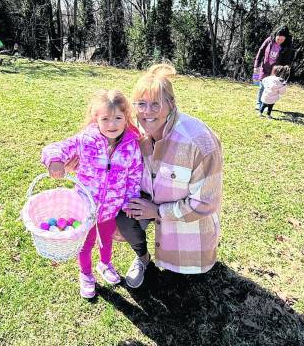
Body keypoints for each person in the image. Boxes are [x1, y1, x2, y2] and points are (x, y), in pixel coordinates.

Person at [116, 63, 223, 288]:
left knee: (186, 277)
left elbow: (206, 202)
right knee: (124, 221)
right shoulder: (134, 131)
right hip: (149, 194)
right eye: (141, 104)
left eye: (155, 104)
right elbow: (98, 140)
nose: (146, 112)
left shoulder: (199, 142)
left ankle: (179, 262)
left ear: (171, 104)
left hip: (188, 216)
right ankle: (143, 259)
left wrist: (157, 211)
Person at [41, 90, 143, 298]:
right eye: (105, 118)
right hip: (85, 210)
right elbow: (58, 147)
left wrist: (130, 201)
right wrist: (55, 160)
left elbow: (134, 175)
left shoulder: (131, 145)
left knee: (106, 240)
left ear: (126, 118)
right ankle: (86, 274)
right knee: (86, 244)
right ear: (96, 118)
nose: (112, 124)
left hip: (111, 209)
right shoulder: (85, 140)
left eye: (117, 118)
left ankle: (105, 264)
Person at [253, 25, 293, 110]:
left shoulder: (287, 46)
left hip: (275, 71)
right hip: (264, 67)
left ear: (285, 39)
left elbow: (287, 60)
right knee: (262, 86)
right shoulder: (269, 40)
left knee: (272, 88)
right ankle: (259, 103)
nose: (279, 41)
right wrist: (256, 65)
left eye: (282, 40)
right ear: (275, 36)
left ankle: (268, 105)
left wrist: (284, 73)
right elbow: (261, 51)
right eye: (278, 39)